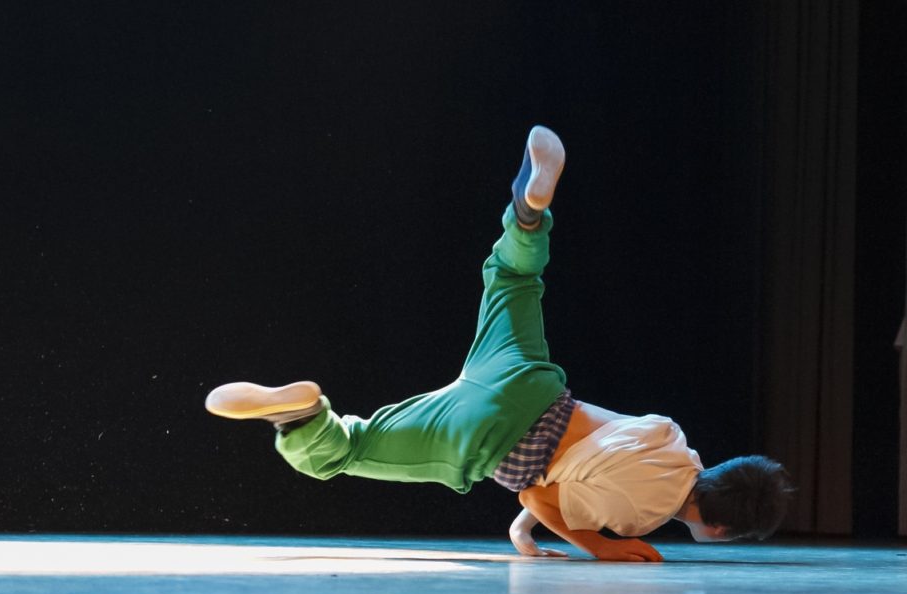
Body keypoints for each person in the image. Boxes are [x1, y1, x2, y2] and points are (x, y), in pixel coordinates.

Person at [205, 125, 794, 562]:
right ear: (720, 529)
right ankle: (302, 415)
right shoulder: (643, 512)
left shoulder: (675, 443)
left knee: (512, 277)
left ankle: (528, 212)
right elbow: (541, 497)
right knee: (350, 449)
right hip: (495, 437)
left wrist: (524, 535)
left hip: (524, 381)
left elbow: (583, 474)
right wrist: (601, 546)